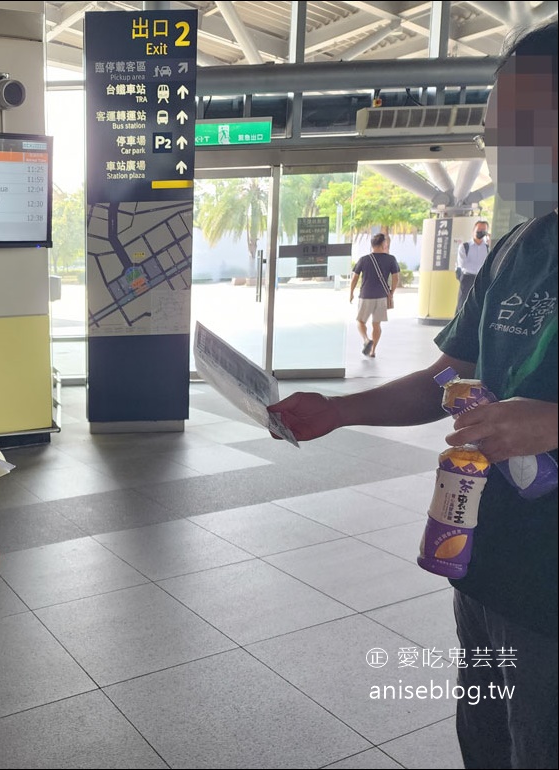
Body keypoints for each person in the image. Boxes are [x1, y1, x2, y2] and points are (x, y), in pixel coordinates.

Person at [268, 20, 557, 770]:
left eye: (520, 131)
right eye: (498, 132)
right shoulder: (519, 247)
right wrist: (339, 410)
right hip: (487, 559)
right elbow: (449, 374)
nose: (501, 152)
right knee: (491, 741)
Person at [349, 232, 400, 358]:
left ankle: (366, 340)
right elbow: (395, 278)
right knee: (376, 324)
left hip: (365, 295)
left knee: (360, 321)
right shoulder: (391, 259)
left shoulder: (364, 259)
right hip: (382, 296)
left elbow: (355, 278)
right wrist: (391, 293)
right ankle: (373, 351)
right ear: (383, 244)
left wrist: (351, 293)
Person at [456, 219, 491, 311]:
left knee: (479, 304)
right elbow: (462, 264)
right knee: (462, 303)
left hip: (482, 278)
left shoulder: (488, 247)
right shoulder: (465, 246)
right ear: (473, 230)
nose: (480, 232)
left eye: (483, 230)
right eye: (478, 230)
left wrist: (491, 243)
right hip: (468, 278)